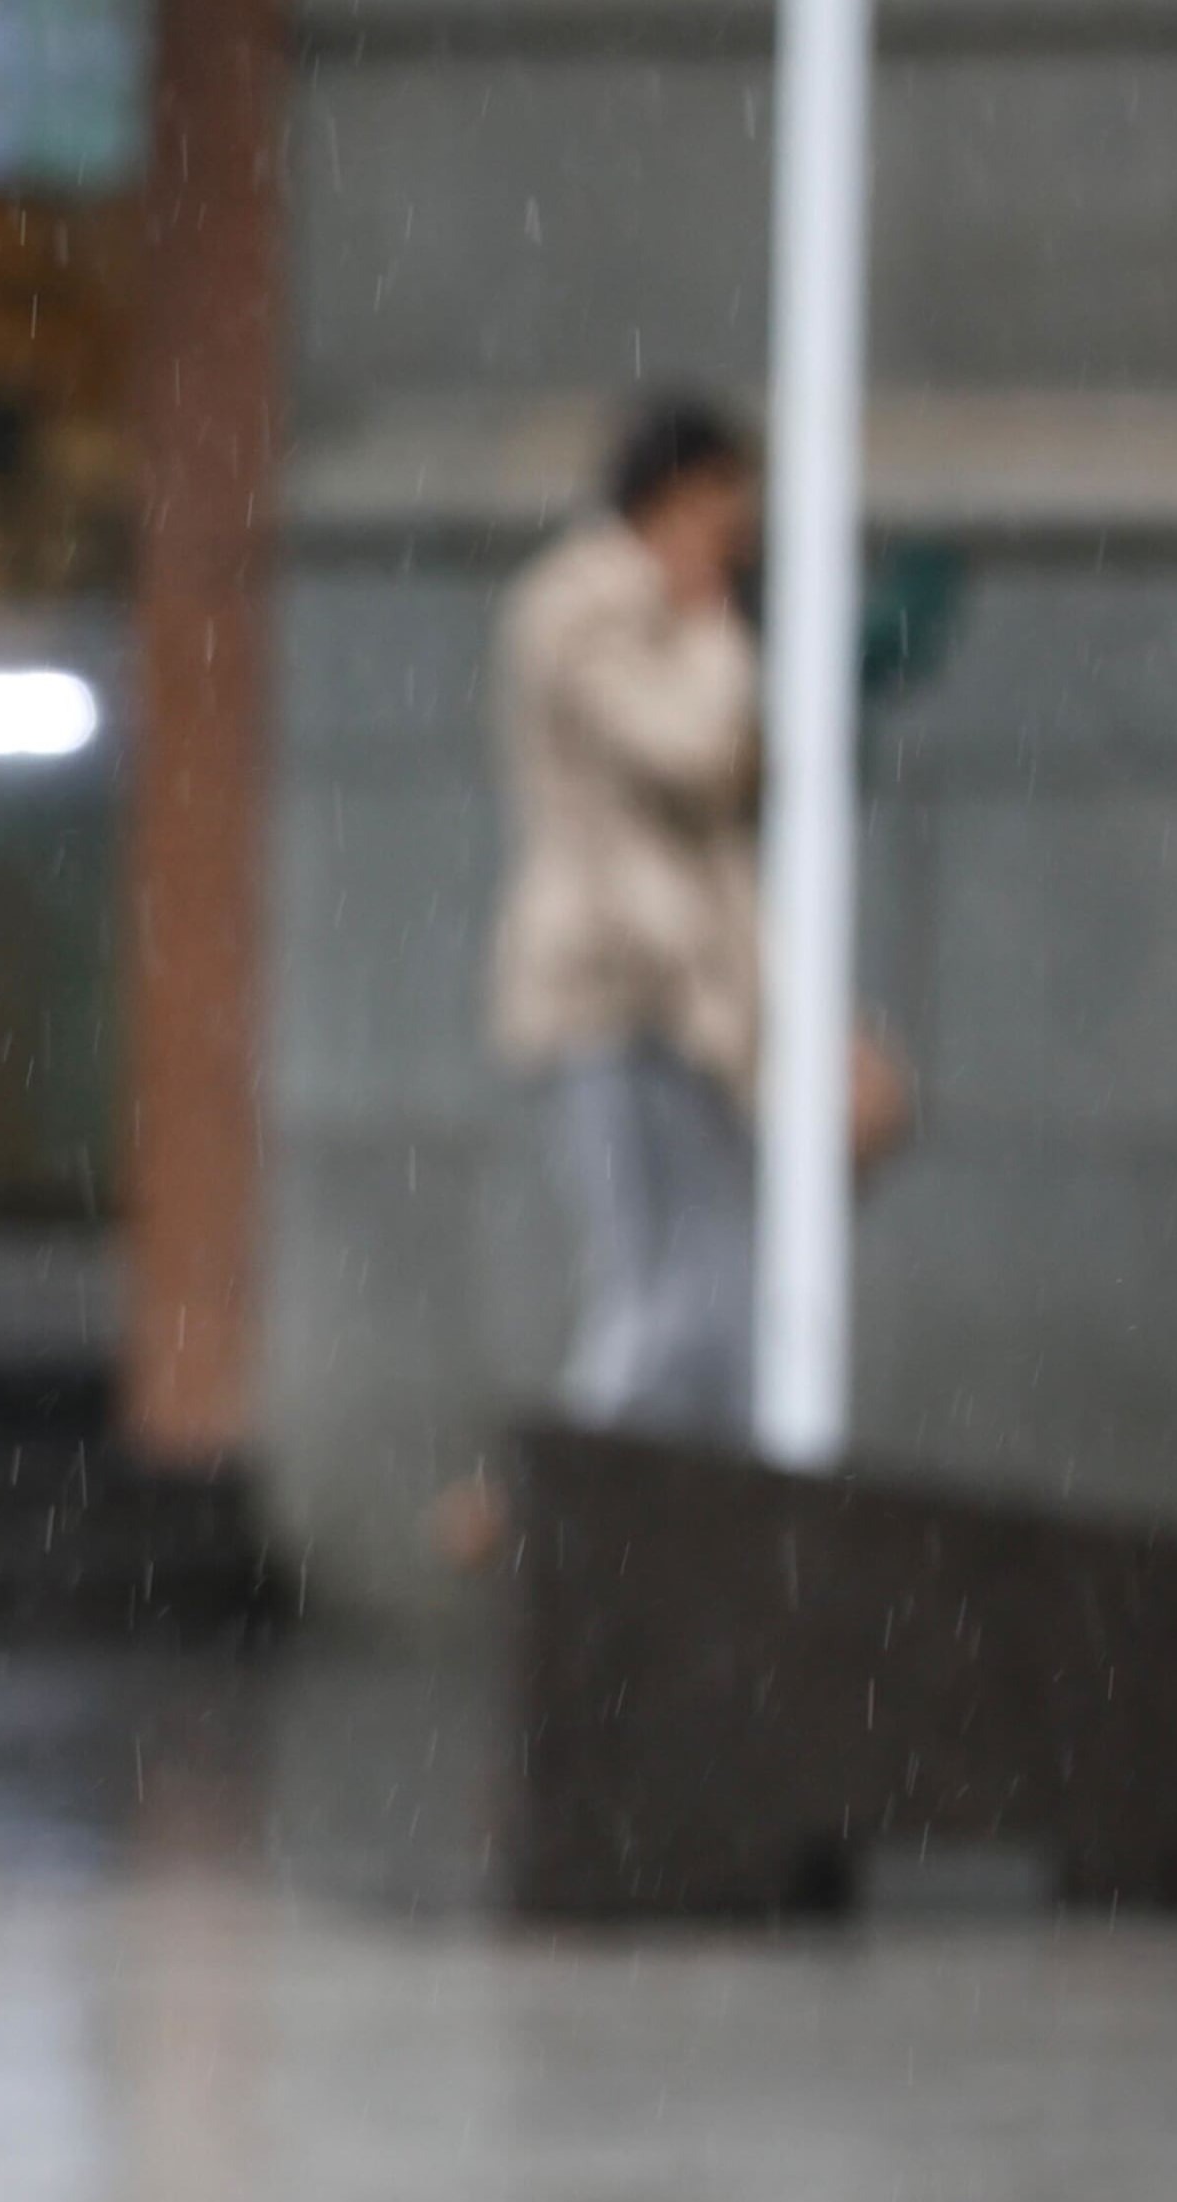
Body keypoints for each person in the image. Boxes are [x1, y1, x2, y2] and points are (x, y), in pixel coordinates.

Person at [489, 392, 775, 1442]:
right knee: (665, 1290)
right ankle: (555, 1505)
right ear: (677, 494)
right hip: (626, 988)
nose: (740, 534)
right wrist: (712, 632)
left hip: (665, 994)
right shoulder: (595, 607)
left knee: (704, 1291)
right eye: (727, 503)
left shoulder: (623, 609)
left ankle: (613, 1503)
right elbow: (691, 749)